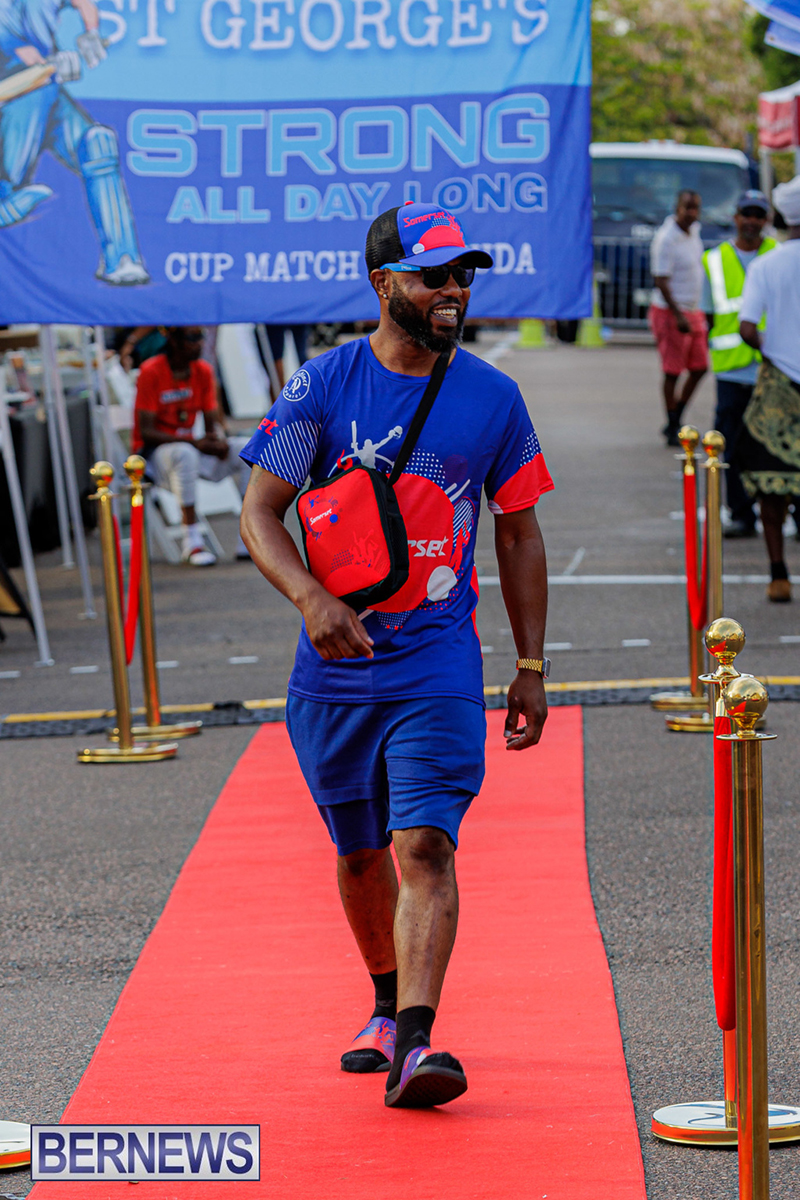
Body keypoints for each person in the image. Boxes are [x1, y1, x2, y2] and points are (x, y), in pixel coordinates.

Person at [240, 202, 553, 1109]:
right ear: (385, 285)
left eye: (464, 275)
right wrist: (311, 599)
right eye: (434, 275)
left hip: (437, 662)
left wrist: (529, 665)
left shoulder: (493, 395)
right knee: (358, 853)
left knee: (423, 842)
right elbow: (261, 509)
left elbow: (520, 532)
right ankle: (383, 1004)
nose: (454, 290)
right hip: (334, 669)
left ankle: (418, 1042)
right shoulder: (324, 385)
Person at [0, 0, 149, 285]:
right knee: (12, 179)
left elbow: (82, 2)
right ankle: (6, 195)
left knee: (97, 143)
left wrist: (90, 32)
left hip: (48, 91)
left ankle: (122, 259)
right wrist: (48, 65)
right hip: (15, 102)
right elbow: (25, 55)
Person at [132, 327, 251, 566]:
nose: (199, 344)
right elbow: (146, 432)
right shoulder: (152, 371)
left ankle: (249, 537)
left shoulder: (202, 371)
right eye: (192, 339)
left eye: (201, 338)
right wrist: (194, 442)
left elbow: (209, 426)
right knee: (185, 454)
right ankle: (192, 542)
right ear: (173, 341)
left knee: (249, 450)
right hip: (156, 457)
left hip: (192, 449)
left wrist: (218, 442)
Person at [737, 176, 800, 603]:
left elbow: (745, 327)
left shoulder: (766, 264)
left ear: (778, 217)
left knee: (769, 482)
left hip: (779, 379)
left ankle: (778, 574)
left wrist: (771, 348)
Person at [702, 191, 777, 538]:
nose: (751, 221)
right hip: (732, 370)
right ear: (735, 217)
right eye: (746, 214)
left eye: (757, 215)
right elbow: (709, 315)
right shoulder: (714, 260)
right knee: (729, 445)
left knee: (777, 446)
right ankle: (742, 513)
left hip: (772, 368)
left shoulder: (779, 255)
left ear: (767, 219)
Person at [649, 190, 709, 445]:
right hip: (671, 311)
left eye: (696, 208)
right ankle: (673, 422)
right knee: (673, 371)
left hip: (693, 309)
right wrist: (677, 314)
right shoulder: (666, 239)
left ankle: (677, 415)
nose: (692, 213)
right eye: (687, 208)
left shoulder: (693, 233)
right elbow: (661, 280)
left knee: (699, 367)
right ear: (677, 208)